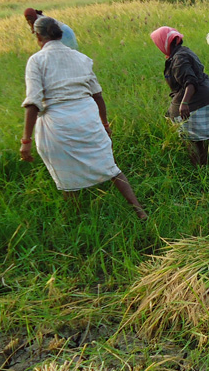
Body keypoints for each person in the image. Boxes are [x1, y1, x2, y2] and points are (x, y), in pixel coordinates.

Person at [20, 16, 146, 219]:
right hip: (87, 119)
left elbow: (33, 102)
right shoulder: (81, 58)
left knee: (67, 177)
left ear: (38, 36)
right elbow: (98, 95)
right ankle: (139, 210)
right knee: (110, 168)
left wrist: (25, 140)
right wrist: (105, 124)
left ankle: (78, 218)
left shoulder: (36, 60)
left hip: (58, 126)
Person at [149, 26, 209, 166]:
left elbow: (190, 82)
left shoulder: (179, 58)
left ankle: (200, 168)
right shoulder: (182, 51)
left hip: (198, 99)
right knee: (198, 140)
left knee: (192, 139)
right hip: (207, 95)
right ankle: (204, 165)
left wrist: (184, 103)